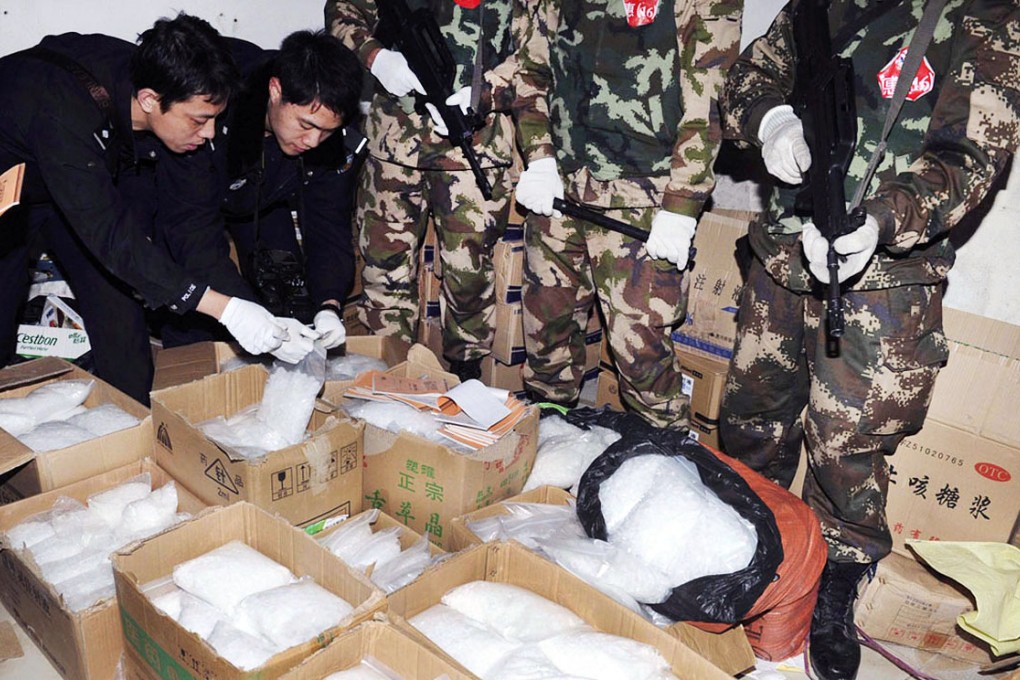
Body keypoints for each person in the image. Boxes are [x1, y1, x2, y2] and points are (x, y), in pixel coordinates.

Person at [718, 2, 1020, 678]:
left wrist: (883, 219)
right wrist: (771, 121)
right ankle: (745, 534)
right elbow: (748, 78)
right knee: (753, 415)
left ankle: (835, 579)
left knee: (847, 443)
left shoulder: (985, 15)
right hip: (783, 255)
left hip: (887, 277)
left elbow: (973, 153)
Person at [0, 14, 314, 404]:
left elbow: (184, 232)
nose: (210, 134)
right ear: (149, 100)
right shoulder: (62, 110)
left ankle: (134, 433)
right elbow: (110, 234)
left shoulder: (151, 78)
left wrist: (255, 313)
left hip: (71, 181)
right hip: (11, 184)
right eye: (200, 120)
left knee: (121, 321)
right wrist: (226, 310)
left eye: (216, 119)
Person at [511, 0, 742, 428]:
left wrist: (682, 205)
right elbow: (530, 70)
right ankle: (550, 433)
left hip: (643, 198)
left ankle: (668, 454)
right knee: (546, 333)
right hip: (559, 188)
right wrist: (539, 156)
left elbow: (707, 98)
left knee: (640, 353)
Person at [326, 0, 520, 381]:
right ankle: (387, 375)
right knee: (384, 270)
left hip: (474, 145)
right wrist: (376, 56)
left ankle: (466, 375)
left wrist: (487, 92)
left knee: (469, 276)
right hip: (394, 143)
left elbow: (539, 50)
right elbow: (342, 10)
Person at [155, 30, 365, 352]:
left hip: (264, 194)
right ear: (275, 90)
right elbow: (192, 231)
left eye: (326, 131)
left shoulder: (328, 141)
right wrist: (239, 311)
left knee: (287, 300)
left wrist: (329, 305)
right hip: (193, 192)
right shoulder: (213, 108)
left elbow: (329, 226)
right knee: (198, 321)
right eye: (306, 125)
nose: (312, 141)